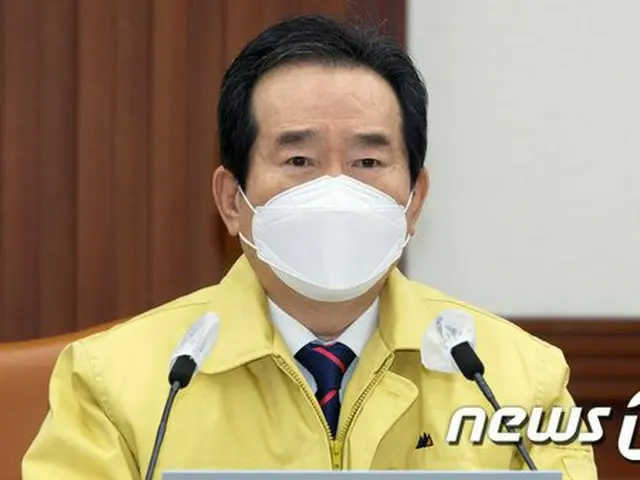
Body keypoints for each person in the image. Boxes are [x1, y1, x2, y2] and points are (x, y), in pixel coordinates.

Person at [23, 14, 597, 479]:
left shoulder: (514, 381)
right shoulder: (115, 383)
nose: (336, 190)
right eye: (299, 159)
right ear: (231, 201)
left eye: (367, 161)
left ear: (414, 200)